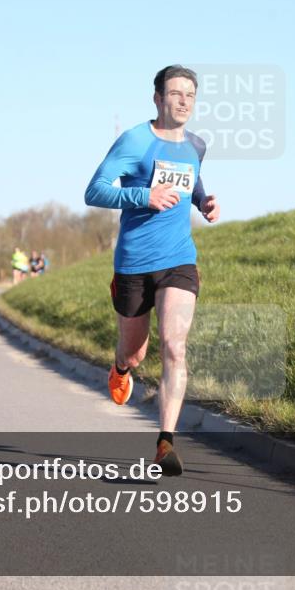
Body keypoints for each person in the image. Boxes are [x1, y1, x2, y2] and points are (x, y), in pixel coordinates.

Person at [84, 65, 220, 475]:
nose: (183, 102)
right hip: (134, 264)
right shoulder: (134, 141)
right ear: (158, 98)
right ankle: (121, 367)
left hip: (179, 259)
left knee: (174, 345)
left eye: (190, 96)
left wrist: (203, 202)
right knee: (136, 351)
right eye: (175, 94)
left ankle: (165, 444)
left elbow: (192, 182)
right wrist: (145, 195)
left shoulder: (196, 144)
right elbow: (94, 190)